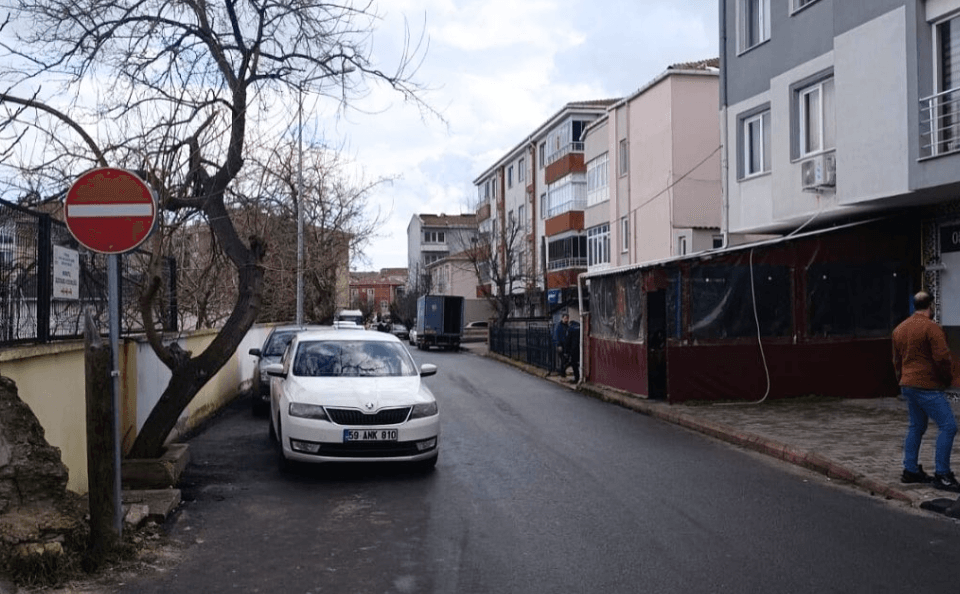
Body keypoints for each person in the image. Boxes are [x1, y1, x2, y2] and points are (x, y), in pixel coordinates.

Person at [892, 291, 959, 491]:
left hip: (908, 384)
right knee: (948, 426)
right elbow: (942, 358)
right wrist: (947, 379)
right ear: (931, 306)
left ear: (914, 305)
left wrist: (902, 380)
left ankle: (910, 470)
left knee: (916, 426)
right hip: (926, 385)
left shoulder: (899, 329)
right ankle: (943, 474)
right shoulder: (932, 328)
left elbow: (896, 361)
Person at [553, 313, 579, 382]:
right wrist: (558, 345)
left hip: (567, 345)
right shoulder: (559, 326)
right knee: (563, 360)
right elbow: (557, 335)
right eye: (565, 318)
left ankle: (563, 372)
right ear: (562, 318)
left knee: (566, 360)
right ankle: (562, 373)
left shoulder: (568, 326)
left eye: (567, 318)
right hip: (561, 345)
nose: (566, 319)